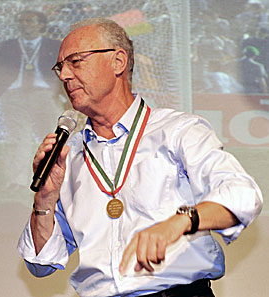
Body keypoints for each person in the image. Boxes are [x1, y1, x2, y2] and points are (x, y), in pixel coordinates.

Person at [17, 18, 263, 297]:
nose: (64, 76)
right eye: (60, 67)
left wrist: (179, 221)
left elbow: (243, 194)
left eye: (75, 62)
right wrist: (45, 198)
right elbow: (40, 263)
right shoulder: (68, 155)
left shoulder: (177, 130)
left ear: (118, 61)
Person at [0, 10, 66, 195]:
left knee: (51, 137)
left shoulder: (55, 46)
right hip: (15, 95)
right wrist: (2, 94)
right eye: (22, 21)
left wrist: (60, 95)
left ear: (41, 25)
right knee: (17, 138)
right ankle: (16, 181)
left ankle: (52, 178)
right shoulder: (6, 46)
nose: (25, 25)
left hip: (45, 95)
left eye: (30, 21)